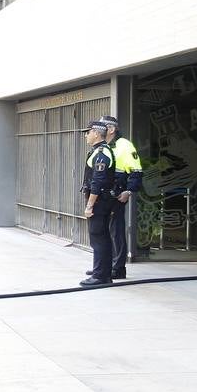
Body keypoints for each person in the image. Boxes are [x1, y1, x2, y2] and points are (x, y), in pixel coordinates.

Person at [97, 115, 143, 280]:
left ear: (111, 129)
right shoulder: (103, 146)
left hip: (117, 194)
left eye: (101, 128)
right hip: (102, 195)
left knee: (116, 231)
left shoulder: (125, 145)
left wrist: (129, 192)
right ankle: (104, 267)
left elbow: (136, 171)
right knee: (102, 232)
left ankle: (118, 268)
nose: (97, 131)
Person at [80, 120, 119, 287]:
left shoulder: (101, 152)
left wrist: (89, 205)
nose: (86, 135)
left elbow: (97, 182)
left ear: (96, 133)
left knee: (98, 238)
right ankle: (103, 273)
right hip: (102, 200)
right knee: (101, 237)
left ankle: (100, 276)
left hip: (100, 202)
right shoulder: (99, 151)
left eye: (88, 132)